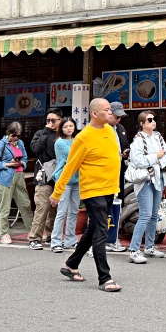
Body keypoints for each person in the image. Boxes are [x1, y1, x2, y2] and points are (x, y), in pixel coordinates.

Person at [50, 98, 123, 292]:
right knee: (101, 232)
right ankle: (104, 278)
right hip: (93, 191)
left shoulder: (109, 130)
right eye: (106, 110)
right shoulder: (83, 137)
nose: (110, 113)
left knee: (92, 230)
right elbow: (69, 167)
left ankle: (71, 264)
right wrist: (57, 193)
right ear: (94, 114)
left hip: (109, 189)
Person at [127, 111, 166, 264]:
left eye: (154, 119)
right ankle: (133, 250)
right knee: (145, 214)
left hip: (158, 177)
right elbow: (137, 160)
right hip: (145, 179)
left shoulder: (158, 136)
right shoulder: (138, 140)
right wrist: (156, 157)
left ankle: (149, 246)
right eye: (150, 120)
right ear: (142, 124)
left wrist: (158, 160)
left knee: (153, 214)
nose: (153, 122)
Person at [0, 122, 35, 244]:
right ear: (8, 133)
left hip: (19, 177)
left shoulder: (20, 143)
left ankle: (32, 232)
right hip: (4, 178)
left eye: (18, 136)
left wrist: (21, 163)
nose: (16, 138)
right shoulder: (0, 145)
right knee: (5, 208)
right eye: (14, 135)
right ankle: (4, 234)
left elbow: (25, 157)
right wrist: (7, 164)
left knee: (25, 205)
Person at [28, 111, 61, 250]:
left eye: (54, 120)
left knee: (56, 209)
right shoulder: (41, 133)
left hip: (60, 176)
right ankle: (35, 238)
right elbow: (35, 148)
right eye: (48, 119)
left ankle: (52, 236)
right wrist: (47, 131)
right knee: (42, 206)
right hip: (44, 176)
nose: (51, 122)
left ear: (60, 120)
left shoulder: (64, 134)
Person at [50, 119, 79, 253]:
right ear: (61, 129)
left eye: (71, 126)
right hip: (64, 180)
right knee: (62, 211)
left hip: (77, 180)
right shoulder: (59, 143)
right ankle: (55, 241)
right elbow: (72, 157)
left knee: (73, 211)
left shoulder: (77, 140)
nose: (68, 128)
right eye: (66, 126)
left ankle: (70, 240)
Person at [104, 102, 129, 254]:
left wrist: (126, 151)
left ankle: (113, 239)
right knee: (104, 207)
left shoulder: (120, 129)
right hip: (105, 173)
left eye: (121, 117)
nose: (119, 119)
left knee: (117, 202)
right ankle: (101, 241)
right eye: (116, 116)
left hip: (119, 170)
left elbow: (124, 144)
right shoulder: (101, 129)